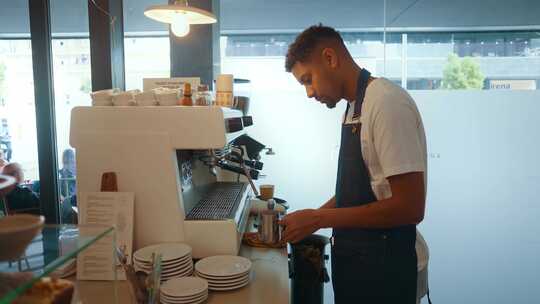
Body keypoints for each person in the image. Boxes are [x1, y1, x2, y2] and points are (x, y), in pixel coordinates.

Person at [279, 25, 428, 304]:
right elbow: (360, 191)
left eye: (308, 79)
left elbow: (410, 207)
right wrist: (311, 219)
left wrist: (319, 219)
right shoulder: (353, 107)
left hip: (386, 274)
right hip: (358, 267)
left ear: (330, 58)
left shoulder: (385, 103)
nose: (309, 93)